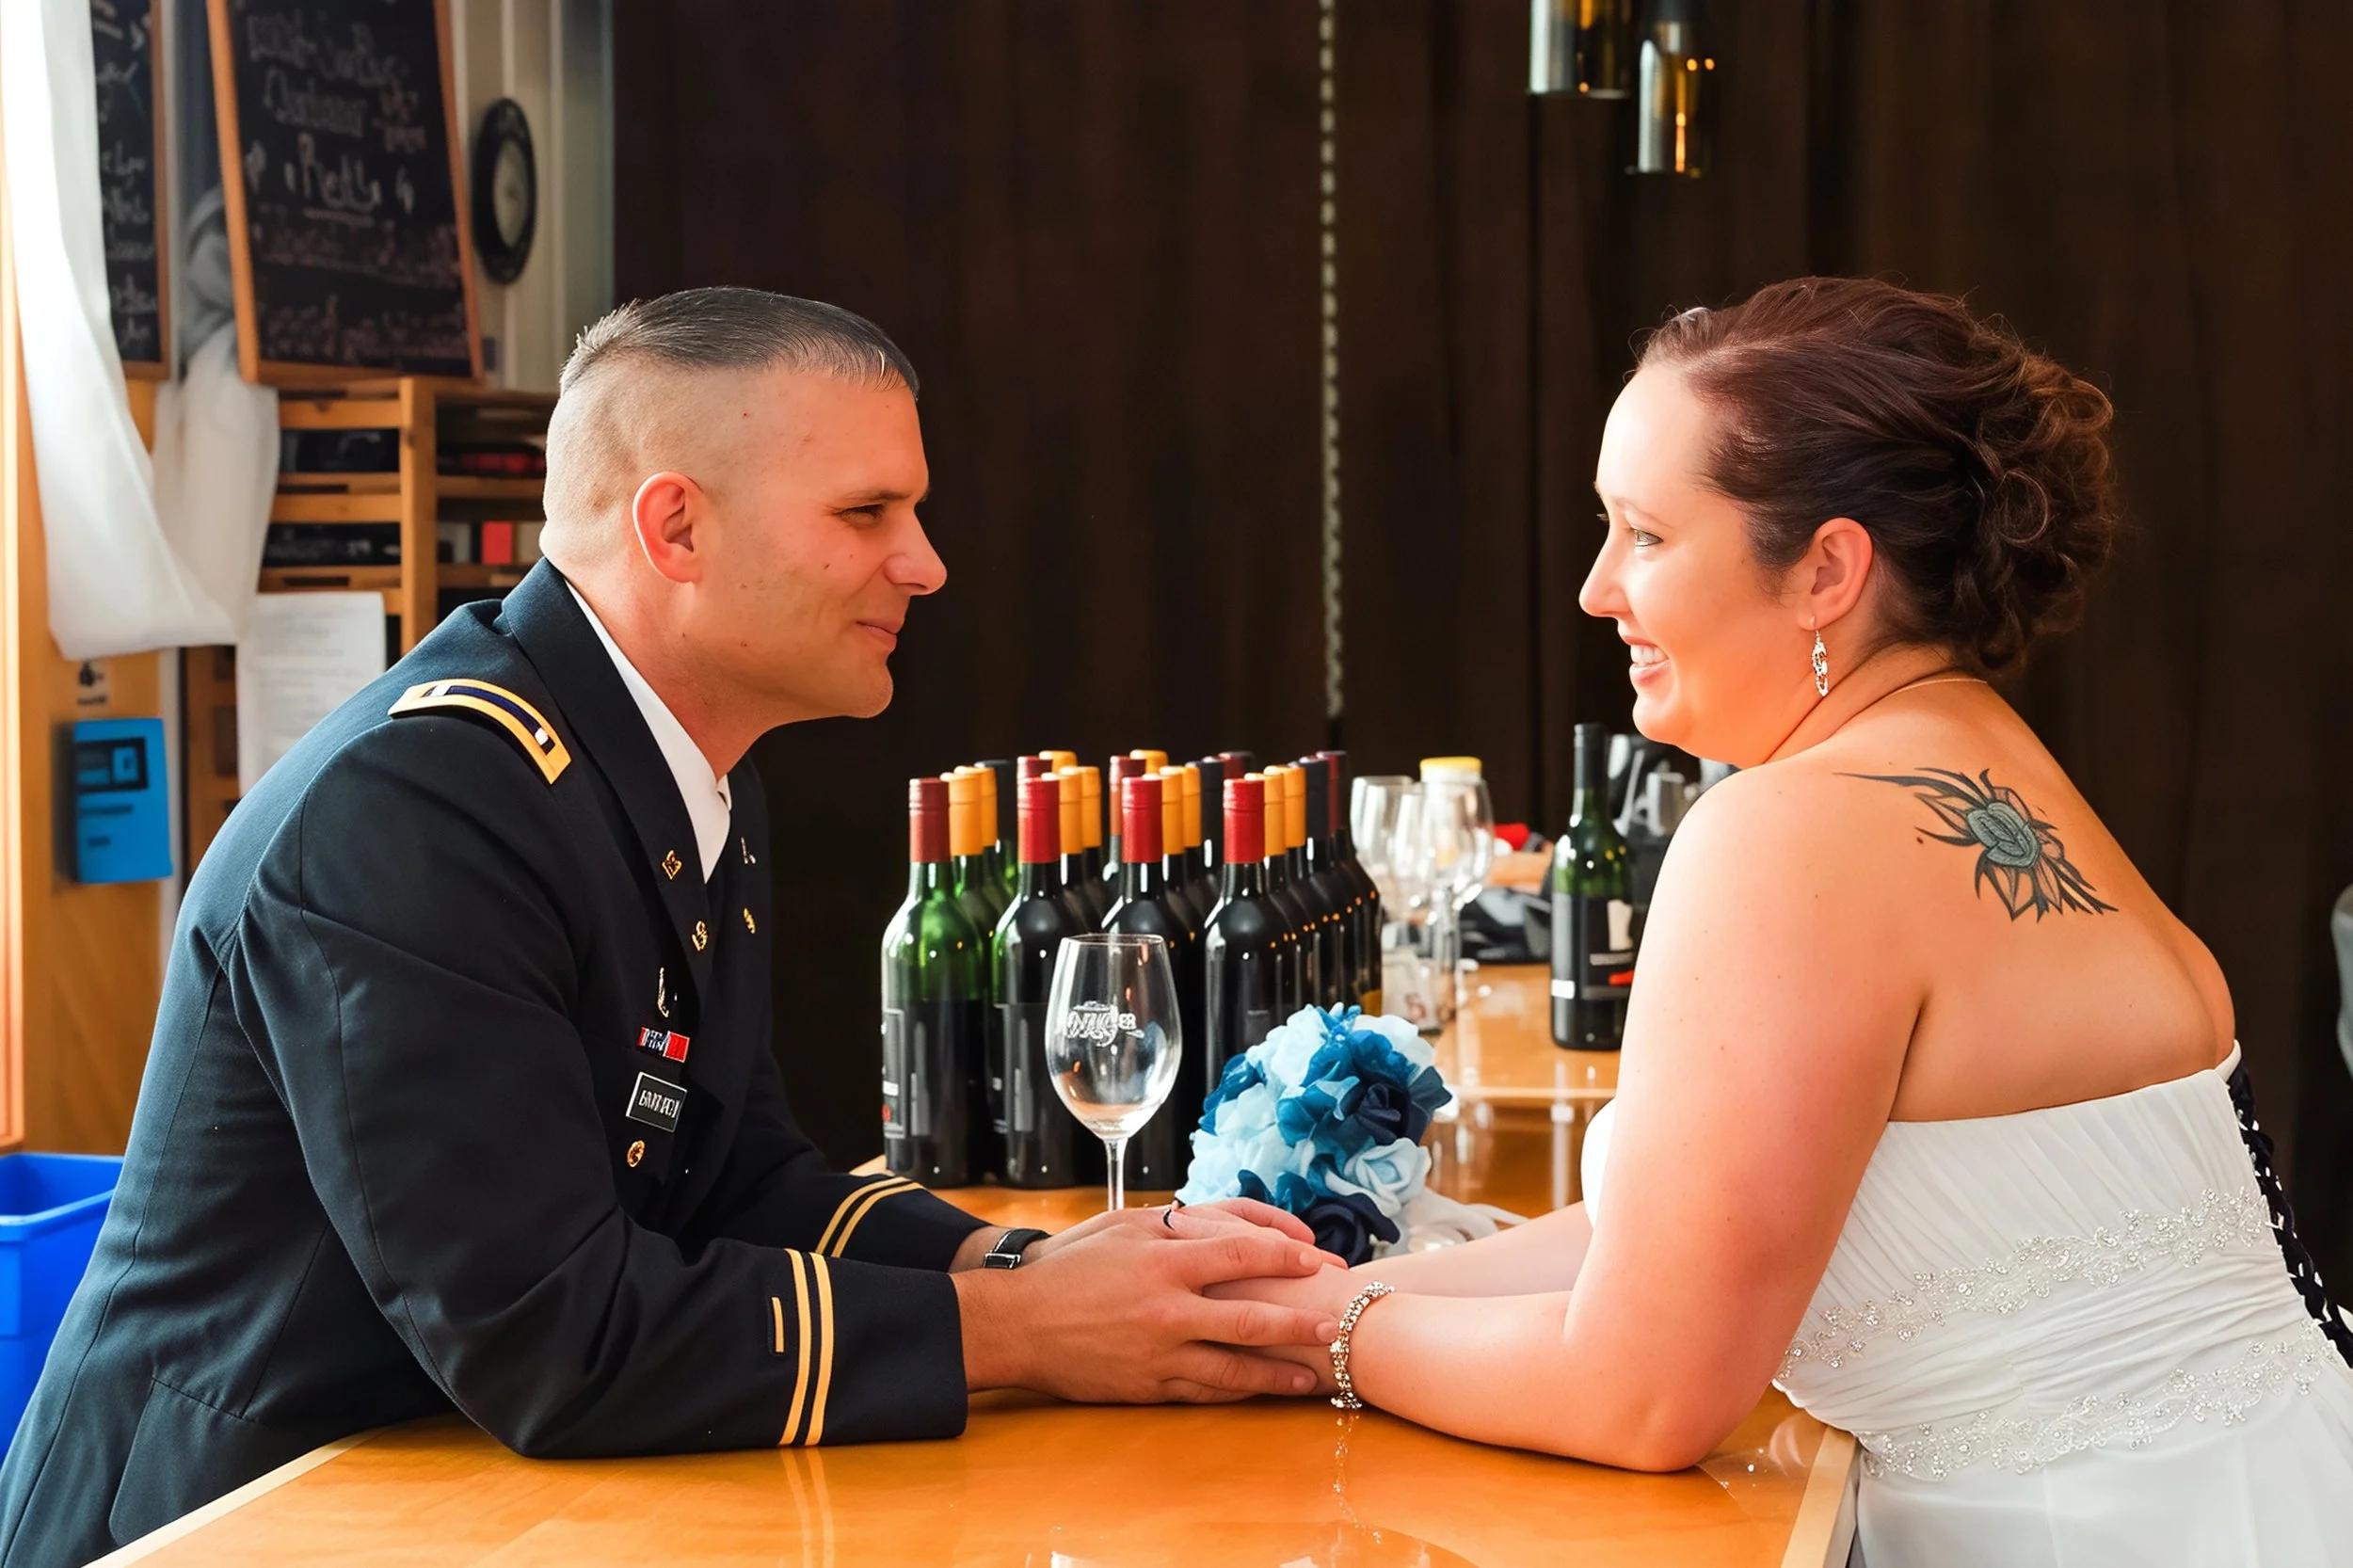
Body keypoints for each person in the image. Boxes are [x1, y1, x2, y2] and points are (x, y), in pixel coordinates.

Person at [0, 289, 1342, 1568]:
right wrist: (1021, 1329)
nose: (925, 564)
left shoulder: (677, 761)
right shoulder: (418, 809)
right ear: (676, 530)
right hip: (234, 1519)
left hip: (444, 1495)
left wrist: (1029, 1262)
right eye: (868, 510)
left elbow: (740, 1180)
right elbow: (549, 1333)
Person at [1218, 277, 2353, 1564]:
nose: (1598, 589)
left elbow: (1644, 1391)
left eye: (1645, 535)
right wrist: (1328, 1289)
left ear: (1826, 569)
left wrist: (1314, 1339)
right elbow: (1703, 1225)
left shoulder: (1790, 831)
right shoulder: (1994, 756)